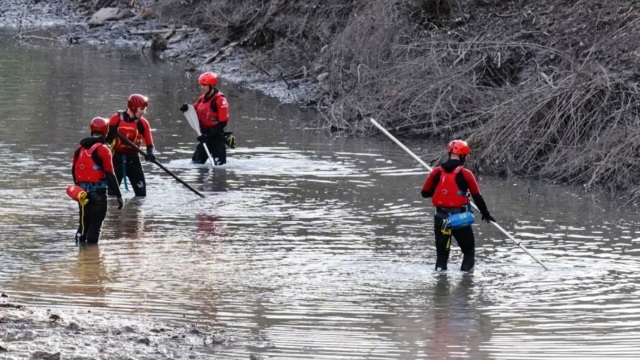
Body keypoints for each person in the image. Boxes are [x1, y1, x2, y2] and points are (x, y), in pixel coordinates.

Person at [420, 140, 496, 272]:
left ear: (449, 154)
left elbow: (425, 193)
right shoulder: (466, 174)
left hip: (440, 219)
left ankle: (440, 285)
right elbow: (477, 197)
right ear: (463, 156)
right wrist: (486, 214)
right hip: (459, 219)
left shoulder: (436, 172)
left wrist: (439, 189)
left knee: (441, 258)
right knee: (468, 252)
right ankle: (466, 285)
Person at [72, 117, 124, 244]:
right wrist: (119, 195)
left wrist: (78, 189)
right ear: (105, 132)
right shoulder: (103, 150)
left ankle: (80, 253)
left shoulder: (79, 149)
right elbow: (110, 174)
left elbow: (74, 171)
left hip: (82, 194)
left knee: (83, 227)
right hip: (98, 195)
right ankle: (91, 258)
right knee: (94, 230)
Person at [105, 94, 156, 196]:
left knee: (141, 195)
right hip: (116, 159)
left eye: (145, 109)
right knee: (111, 196)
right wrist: (111, 133)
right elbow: (106, 141)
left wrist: (150, 153)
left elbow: (150, 144)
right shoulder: (116, 119)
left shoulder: (143, 123)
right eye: (142, 109)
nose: (144, 112)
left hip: (134, 160)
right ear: (133, 107)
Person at [180, 71, 230, 165]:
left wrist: (208, 136)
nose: (201, 87)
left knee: (219, 166)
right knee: (196, 162)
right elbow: (193, 112)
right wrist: (186, 108)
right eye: (201, 85)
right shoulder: (202, 98)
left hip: (216, 138)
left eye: (204, 85)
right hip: (205, 137)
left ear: (212, 85)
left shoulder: (220, 100)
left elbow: (222, 123)